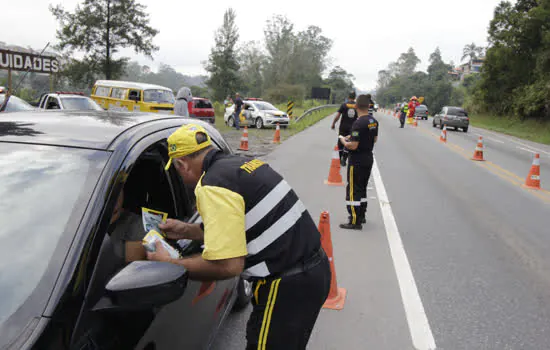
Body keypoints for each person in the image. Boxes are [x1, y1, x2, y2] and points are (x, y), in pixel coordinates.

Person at [147, 124, 331, 349]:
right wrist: (187, 229)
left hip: (287, 285)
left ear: (182, 164)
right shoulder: (239, 164)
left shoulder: (212, 186)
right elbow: (235, 227)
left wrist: (171, 265)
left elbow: (228, 266)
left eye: (176, 169)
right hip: (311, 271)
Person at [338, 94, 379, 230]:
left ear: (356, 106)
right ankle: (362, 215)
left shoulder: (358, 123)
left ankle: (354, 221)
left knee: (353, 190)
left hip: (357, 160)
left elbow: (353, 146)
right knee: (362, 188)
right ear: (368, 106)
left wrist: (344, 140)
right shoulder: (373, 121)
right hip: (368, 158)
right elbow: (374, 139)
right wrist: (354, 137)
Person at [108, 189, 147, 263]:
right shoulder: (83, 221)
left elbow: (131, 272)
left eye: (117, 191)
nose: (113, 197)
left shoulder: (136, 226)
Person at [331, 91, 358, 167]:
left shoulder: (344, 105)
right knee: (349, 142)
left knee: (340, 141)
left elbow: (338, 116)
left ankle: (339, 159)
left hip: (343, 127)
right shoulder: (357, 106)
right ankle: (344, 159)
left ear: (348, 97)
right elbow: (359, 117)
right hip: (353, 128)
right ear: (355, 97)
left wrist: (333, 123)